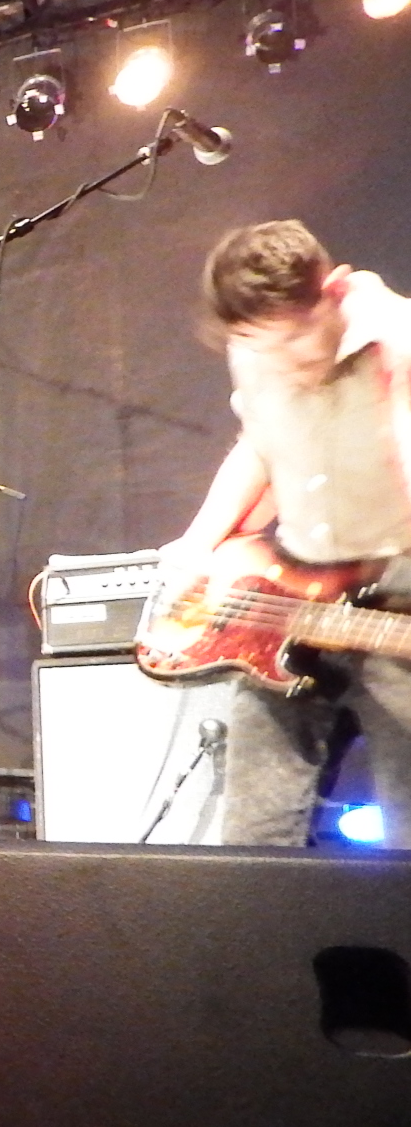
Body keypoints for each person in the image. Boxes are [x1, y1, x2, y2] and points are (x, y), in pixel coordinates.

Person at [161, 220, 411, 845]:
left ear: (331, 290)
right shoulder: (253, 350)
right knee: (253, 837)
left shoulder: (399, 339)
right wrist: (198, 543)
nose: (282, 362)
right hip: (293, 600)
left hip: (396, 598)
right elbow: (260, 443)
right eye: (259, 345)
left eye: (296, 338)